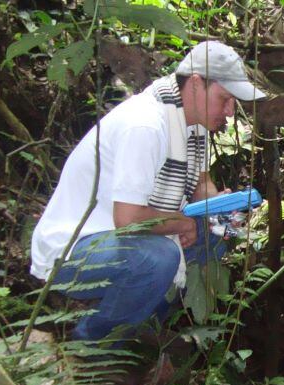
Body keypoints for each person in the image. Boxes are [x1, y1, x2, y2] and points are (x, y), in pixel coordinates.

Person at [29, 41, 266, 341]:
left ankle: (144, 330)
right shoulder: (145, 125)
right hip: (73, 250)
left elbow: (200, 183)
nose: (230, 112)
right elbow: (127, 219)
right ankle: (93, 345)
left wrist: (216, 203)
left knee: (215, 239)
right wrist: (182, 223)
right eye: (225, 99)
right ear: (195, 84)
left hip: (118, 243)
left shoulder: (192, 126)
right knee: (159, 258)